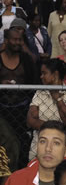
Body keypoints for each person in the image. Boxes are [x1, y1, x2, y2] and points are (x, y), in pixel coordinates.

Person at [1, 23, 40, 166]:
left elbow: (34, 81)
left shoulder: (26, 59)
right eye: (14, 39)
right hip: (3, 109)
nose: (18, 42)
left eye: (20, 40)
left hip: (22, 108)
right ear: (6, 40)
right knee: (8, 142)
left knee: (23, 142)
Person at [27, 59, 66, 160]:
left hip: (65, 147)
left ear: (55, 74)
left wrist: (58, 99)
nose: (41, 76)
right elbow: (31, 120)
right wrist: (58, 128)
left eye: (44, 73)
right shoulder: (40, 93)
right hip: (39, 148)